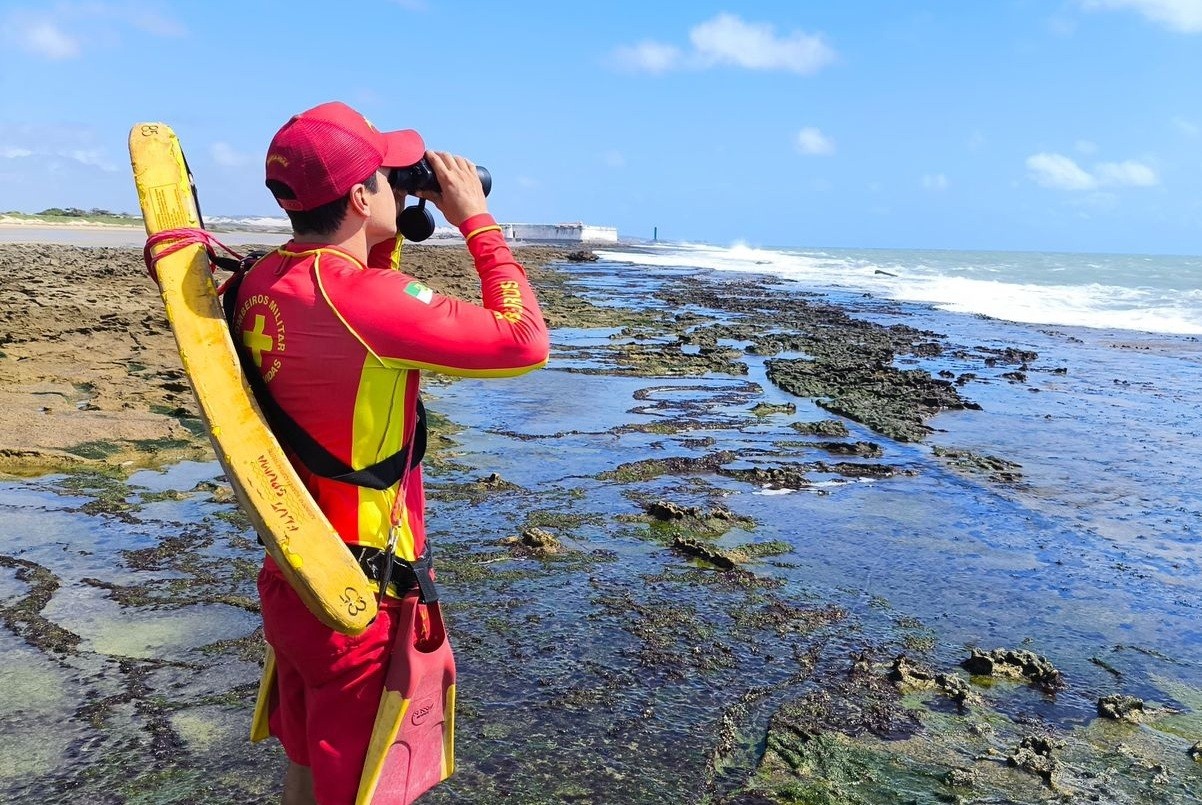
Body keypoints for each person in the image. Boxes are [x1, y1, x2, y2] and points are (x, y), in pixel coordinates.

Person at [231, 101, 550, 804]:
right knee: (363, 790)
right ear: (358, 196)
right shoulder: (366, 302)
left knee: (309, 771)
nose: (401, 188)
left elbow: (349, 306)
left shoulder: (258, 282)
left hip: (293, 575)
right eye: (387, 176)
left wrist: (387, 224)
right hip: (358, 602)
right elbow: (524, 337)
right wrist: (474, 219)